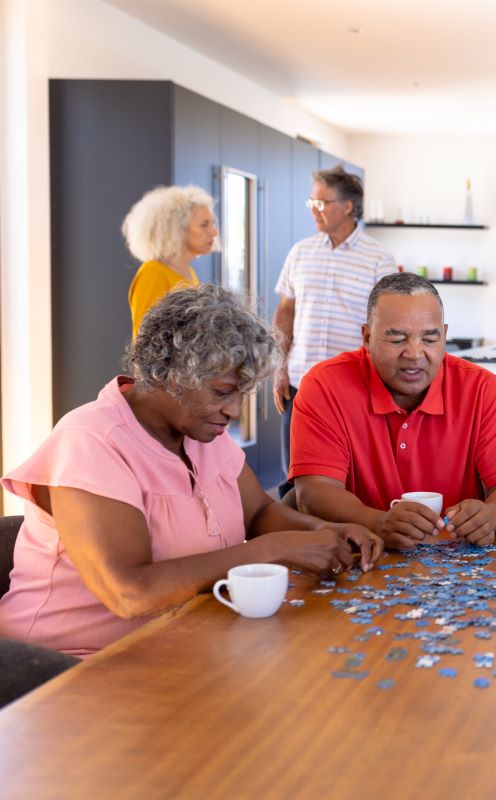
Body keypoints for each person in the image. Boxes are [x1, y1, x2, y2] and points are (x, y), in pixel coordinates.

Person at [0, 285, 382, 658]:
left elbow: (260, 513)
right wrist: (270, 550)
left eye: (241, 394)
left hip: (180, 644)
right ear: (170, 373)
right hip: (67, 669)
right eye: (221, 392)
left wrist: (323, 531)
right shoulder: (90, 441)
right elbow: (130, 592)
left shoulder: (202, 433)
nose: (233, 411)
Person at [290, 273, 496, 548]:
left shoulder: (481, 388)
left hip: (459, 566)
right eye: (397, 340)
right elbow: (313, 492)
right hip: (357, 559)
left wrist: (491, 516)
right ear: (367, 337)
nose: (415, 354)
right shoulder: (324, 386)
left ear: (444, 335)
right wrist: (377, 522)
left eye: (429, 339)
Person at [273, 165, 396, 492]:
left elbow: (386, 325)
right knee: (295, 482)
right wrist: (278, 366)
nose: (315, 210)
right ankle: (297, 542)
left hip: (353, 386)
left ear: (348, 206)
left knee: (349, 481)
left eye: (322, 202)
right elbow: (285, 312)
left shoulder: (379, 260)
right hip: (300, 383)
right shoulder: (300, 252)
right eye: (311, 202)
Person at [123, 184, 218, 337]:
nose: (214, 232)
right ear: (175, 229)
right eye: (204, 225)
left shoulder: (189, 273)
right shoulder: (153, 272)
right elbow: (144, 343)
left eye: (212, 223)